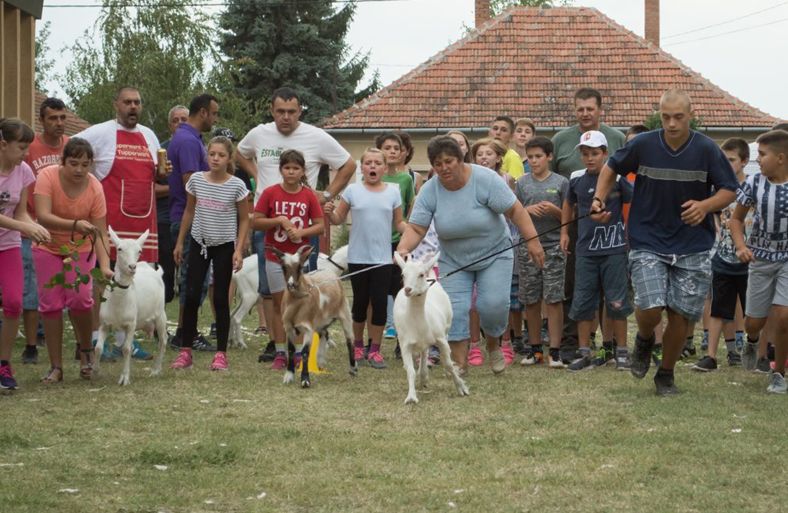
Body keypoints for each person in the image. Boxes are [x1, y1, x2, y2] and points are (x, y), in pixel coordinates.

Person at [590, 89, 738, 396]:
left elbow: (729, 190)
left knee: (681, 316)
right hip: (647, 237)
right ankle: (644, 338)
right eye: (666, 117)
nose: (671, 123)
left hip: (693, 242)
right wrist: (598, 199)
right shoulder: (643, 144)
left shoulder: (707, 149)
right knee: (650, 305)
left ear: (690, 116)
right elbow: (611, 169)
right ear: (660, 115)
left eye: (678, 117)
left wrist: (705, 206)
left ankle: (666, 375)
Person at [396, 136, 544, 375]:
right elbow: (416, 228)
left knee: (492, 306)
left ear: (461, 158)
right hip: (454, 258)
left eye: (449, 161)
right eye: (437, 163)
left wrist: (533, 242)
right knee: (455, 308)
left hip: (495, 253)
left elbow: (515, 210)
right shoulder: (430, 190)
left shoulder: (485, 179)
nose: (444, 168)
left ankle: (493, 344)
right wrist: (403, 249)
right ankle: (459, 362)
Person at [236, 87, 356, 363]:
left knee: (303, 289)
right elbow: (240, 154)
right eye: (280, 112)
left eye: (292, 112)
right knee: (270, 291)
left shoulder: (315, 136)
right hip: (267, 223)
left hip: (302, 230)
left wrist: (326, 195)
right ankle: (277, 346)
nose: (286, 117)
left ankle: (303, 349)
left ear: (300, 111)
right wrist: (259, 174)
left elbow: (348, 165)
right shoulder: (259, 133)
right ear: (272, 110)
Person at [74, 86, 164, 360]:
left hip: (142, 222)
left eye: (137, 102)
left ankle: (126, 341)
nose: (133, 107)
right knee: (102, 280)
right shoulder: (99, 132)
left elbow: (157, 174)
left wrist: (162, 172)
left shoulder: (149, 135)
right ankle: (92, 341)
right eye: (127, 102)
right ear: (117, 105)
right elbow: (72, 151)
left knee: (134, 280)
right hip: (110, 221)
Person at [552, 88, 627, 363]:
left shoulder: (617, 139)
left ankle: (614, 347)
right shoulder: (562, 142)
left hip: (613, 235)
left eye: (589, 108)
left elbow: (629, 190)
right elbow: (565, 196)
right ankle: (577, 345)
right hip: (579, 229)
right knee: (577, 289)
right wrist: (563, 230)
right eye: (580, 109)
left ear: (599, 110)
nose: (585, 113)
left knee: (614, 294)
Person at [34, 138, 111, 384]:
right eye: (73, 163)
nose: (79, 170)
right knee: (51, 304)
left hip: (80, 249)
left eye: (85, 164)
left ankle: (86, 351)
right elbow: (43, 217)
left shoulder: (95, 188)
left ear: (91, 165)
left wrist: (106, 266)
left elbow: (100, 232)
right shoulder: (47, 177)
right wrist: (76, 224)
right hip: (47, 245)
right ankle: (56, 366)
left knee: (80, 298)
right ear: (62, 161)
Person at [170, 136, 250, 371]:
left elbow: (245, 219)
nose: (215, 159)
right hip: (198, 243)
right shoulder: (196, 180)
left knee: (220, 299)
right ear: (207, 155)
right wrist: (179, 242)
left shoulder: (236, 186)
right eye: (212, 154)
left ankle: (221, 353)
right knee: (191, 295)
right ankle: (186, 350)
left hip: (224, 245)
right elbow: (189, 211)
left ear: (229, 159)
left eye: (221, 155)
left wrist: (238, 249)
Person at [324, 148, 405, 369]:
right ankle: (358, 346)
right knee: (360, 303)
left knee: (379, 304)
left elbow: (399, 223)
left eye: (377, 163)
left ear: (384, 168)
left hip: (383, 259)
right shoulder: (352, 190)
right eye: (368, 162)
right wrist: (330, 212)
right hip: (358, 257)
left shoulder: (393, 191)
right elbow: (338, 218)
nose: (372, 166)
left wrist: (415, 231)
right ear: (361, 168)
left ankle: (375, 350)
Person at [560, 130, 633, 371]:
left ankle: (621, 351)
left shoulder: (618, 177)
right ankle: (584, 352)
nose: (590, 158)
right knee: (582, 303)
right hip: (585, 250)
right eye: (585, 153)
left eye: (595, 153)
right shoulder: (576, 178)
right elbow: (568, 204)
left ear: (605, 153)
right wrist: (564, 232)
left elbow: (632, 202)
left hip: (614, 250)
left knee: (617, 302)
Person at [252, 150, 326, 371]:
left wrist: (302, 233)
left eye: (295, 168)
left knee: (301, 303)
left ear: (303, 171)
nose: (291, 172)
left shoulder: (309, 195)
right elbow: (256, 221)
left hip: (299, 260)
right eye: (287, 168)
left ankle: (300, 352)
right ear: (280, 169)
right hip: (276, 257)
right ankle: (280, 351)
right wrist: (278, 220)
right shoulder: (270, 193)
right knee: (278, 304)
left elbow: (320, 225)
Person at [730, 129, 788, 394]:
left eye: (762, 155)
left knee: (784, 316)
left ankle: (778, 373)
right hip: (760, 260)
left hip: (786, 259)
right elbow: (736, 219)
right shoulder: (754, 183)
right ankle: (751, 341)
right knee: (755, 321)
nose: (759, 160)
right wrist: (741, 246)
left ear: (780, 158)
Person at [167, 93, 220, 352]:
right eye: (214, 113)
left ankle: (186, 330)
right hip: (189, 220)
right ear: (202, 112)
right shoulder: (188, 141)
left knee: (196, 278)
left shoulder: (191, 138)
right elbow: (191, 184)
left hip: (193, 219)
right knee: (192, 278)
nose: (215, 118)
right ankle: (184, 333)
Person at [0, 118, 51, 389]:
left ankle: (3, 365)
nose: (25, 154)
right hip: (11, 233)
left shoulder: (24, 172)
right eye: (21, 147)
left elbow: (20, 213)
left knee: (13, 303)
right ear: (3, 144)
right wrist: (24, 227)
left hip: (7, 245)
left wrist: (38, 228)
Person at [692, 138, 751, 372]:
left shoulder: (753, 186)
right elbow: (712, 213)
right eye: (723, 160)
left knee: (754, 312)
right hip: (722, 258)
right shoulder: (720, 190)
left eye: (732, 160)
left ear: (744, 161)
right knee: (719, 308)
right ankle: (711, 356)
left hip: (749, 259)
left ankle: (758, 349)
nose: (727, 164)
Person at [20, 98, 70, 364]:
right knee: (31, 289)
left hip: (63, 231)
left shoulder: (71, 147)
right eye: (53, 118)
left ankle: (66, 345)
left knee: (65, 290)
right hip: (33, 228)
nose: (59, 123)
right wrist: (28, 223)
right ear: (42, 120)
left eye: (62, 117)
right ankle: (30, 345)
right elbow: (20, 190)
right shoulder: (30, 149)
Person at [516, 136, 569, 369]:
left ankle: (555, 350)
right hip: (528, 247)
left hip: (554, 247)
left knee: (554, 298)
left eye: (539, 156)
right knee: (531, 299)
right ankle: (535, 348)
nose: (535, 161)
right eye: (531, 157)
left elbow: (570, 216)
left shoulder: (561, 183)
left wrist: (555, 211)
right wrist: (528, 210)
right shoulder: (522, 183)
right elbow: (513, 213)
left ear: (549, 157)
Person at [466, 137, 514, 366]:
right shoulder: (469, 180)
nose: (484, 157)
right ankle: (474, 344)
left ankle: (503, 343)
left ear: (498, 158)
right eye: (479, 154)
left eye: (488, 153)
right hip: (474, 247)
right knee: (474, 301)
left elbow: (515, 212)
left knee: (499, 300)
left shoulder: (507, 180)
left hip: (500, 247)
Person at [375, 132, 415, 347]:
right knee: (377, 293)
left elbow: (409, 210)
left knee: (400, 289)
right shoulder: (370, 177)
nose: (391, 151)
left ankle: (403, 341)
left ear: (402, 153)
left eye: (395, 148)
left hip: (398, 243)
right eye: (387, 147)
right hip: (375, 243)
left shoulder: (406, 179)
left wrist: (406, 237)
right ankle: (375, 341)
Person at [157, 105, 188, 305]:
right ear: (170, 125)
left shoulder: (197, 148)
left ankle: (185, 328)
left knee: (189, 273)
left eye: (184, 120)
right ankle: (160, 317)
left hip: (190, 217)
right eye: (176, 120)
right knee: (165, 273)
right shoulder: (161, 150)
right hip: (164, 218)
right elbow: (150, 189)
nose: (180, 124)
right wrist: (177, 188)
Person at [489, 115, 525, 181]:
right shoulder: (483, 154)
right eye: (495, 128)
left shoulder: (512, 157)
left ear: (511, 136)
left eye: (504, 130)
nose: (498, 133)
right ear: (489, 132)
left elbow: (516, 187)